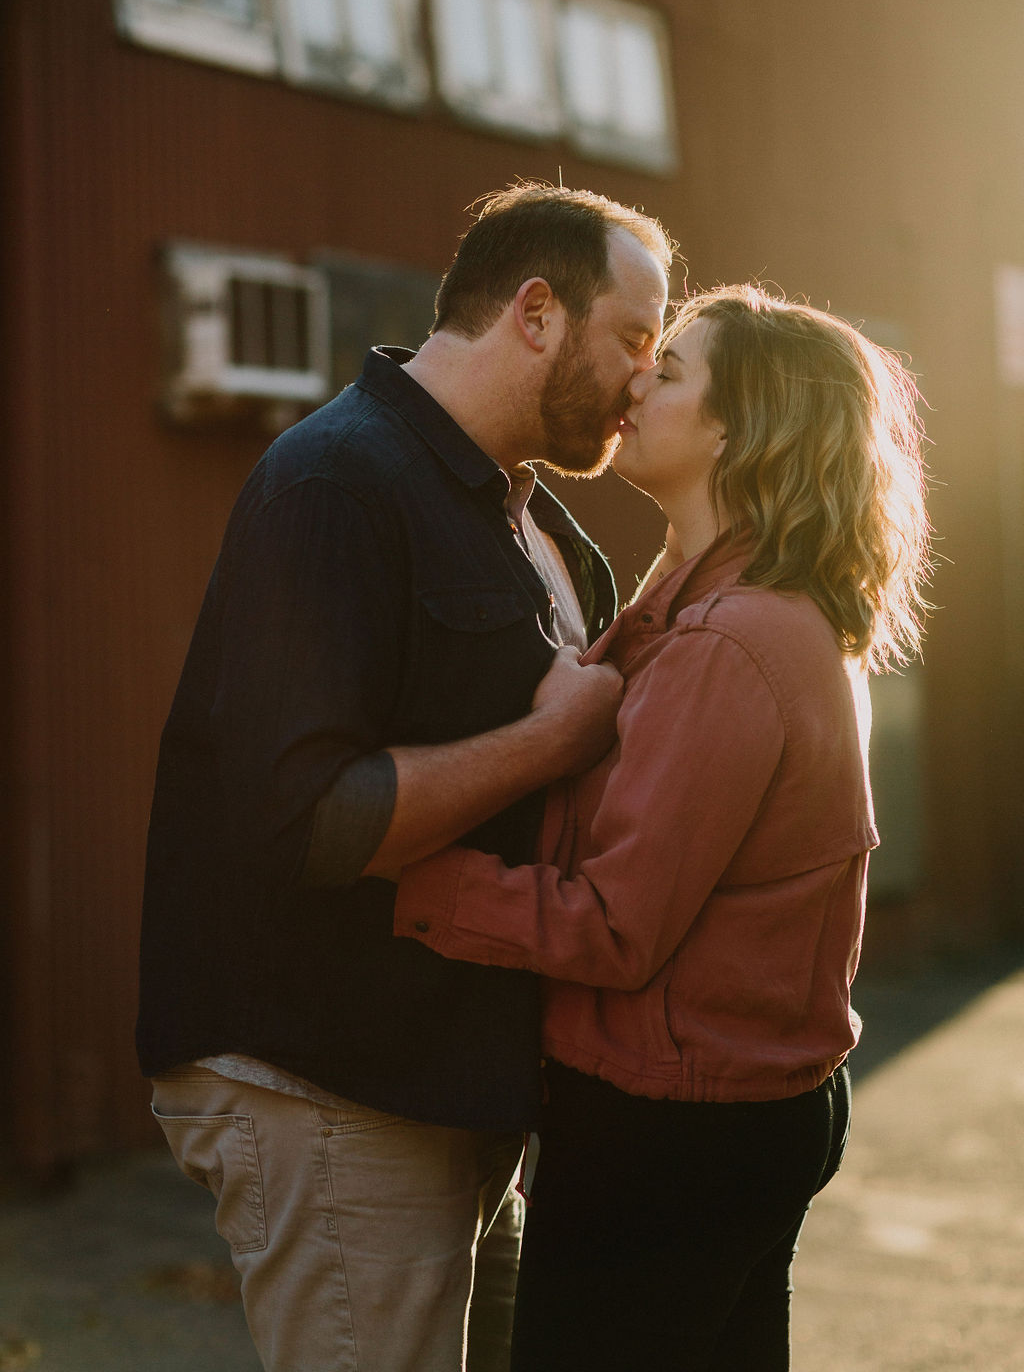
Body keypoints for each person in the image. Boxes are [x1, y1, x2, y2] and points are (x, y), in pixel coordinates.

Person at [135, 182, 673, 1372]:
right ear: (535, 311)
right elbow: (304, 822)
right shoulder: (336, 482)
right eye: (634, 338)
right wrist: (549, 742)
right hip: (329, 1082)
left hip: (457, 1088)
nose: (645, 379)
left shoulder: (543, 531)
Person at [374, 285, 932, 1371]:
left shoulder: (730, 641)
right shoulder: (724, 606)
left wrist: (399, 871)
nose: (636, 381)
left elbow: (615, 925)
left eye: (669, 370)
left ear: (737, 429)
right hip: (733, 1112)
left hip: (674, 1126)